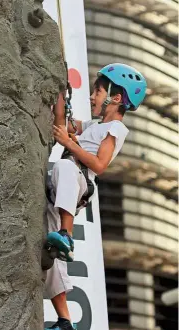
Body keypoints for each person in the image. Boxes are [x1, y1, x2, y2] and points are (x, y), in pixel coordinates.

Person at [44, 63, 147, 330]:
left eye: (97, 92)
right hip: (63, 188)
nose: (92, 97)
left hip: (79, 181)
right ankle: (65, 320)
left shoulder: (114, 130)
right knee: (47, 251)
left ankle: (66, 235)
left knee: (65, 166)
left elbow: (100, 165)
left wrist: (69, 143)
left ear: (115, 98)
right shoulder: (93, 125)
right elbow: (64, 125)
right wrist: (59, 94)